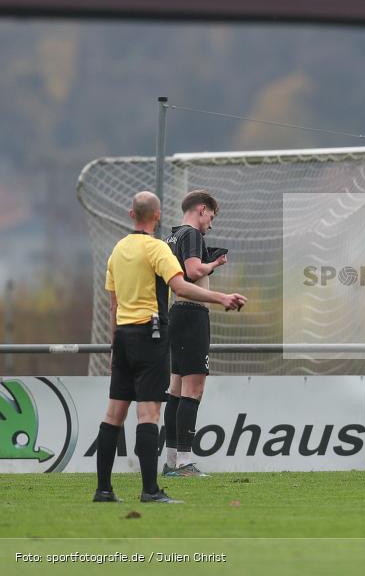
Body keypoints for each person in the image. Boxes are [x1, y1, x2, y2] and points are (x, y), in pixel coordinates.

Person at [94, 191, 245, 504]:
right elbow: (181, 285)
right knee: (148, 413)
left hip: (122, 336)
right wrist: (221, 297)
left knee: (113, 415)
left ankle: (104, 490)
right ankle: (150, 490)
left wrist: (113, 347)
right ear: (158, 216)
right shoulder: (157, 248)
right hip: (150, 334)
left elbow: (113, 303)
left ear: (130, 213)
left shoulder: (118, 249)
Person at [162, 191, 228, 478]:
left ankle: (172, 460)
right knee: (193, 390)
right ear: (202, 210)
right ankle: (184, 464)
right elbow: (191, 271)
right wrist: (214, 264)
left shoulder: (173, 236)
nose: (210, 225)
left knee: (175, 390)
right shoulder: (192, 235)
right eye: (211, 217)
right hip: (192, 314)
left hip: (177, 315)